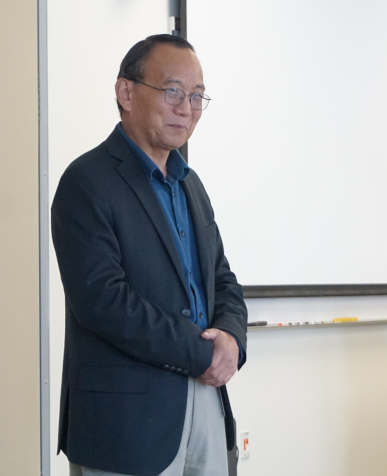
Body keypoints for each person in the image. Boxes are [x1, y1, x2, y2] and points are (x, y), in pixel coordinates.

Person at [52, 34, 247, 476]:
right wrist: (202, 354)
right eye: (173, 91)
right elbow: (103, 302)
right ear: (126, 92)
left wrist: (233, 339)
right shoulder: (86, 182)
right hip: (126, 424)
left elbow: (222, 279)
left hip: (206, 406)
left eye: (197, 96)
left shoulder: (190, 184)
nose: (187, 108)